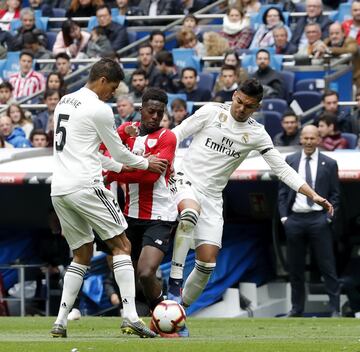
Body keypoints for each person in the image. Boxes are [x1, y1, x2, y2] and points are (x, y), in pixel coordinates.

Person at [167, 79, 333, 336]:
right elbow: (176, 134)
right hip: (185, 180)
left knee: (207, 265)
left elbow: (281, 168)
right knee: (189, 214)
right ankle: (173, 287)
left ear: (257, 107)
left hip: (212, 197)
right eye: (239, 102)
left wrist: (313, 194)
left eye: (248, 106)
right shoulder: (211, 112)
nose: (241, 109)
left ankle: (176, 314)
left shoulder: (257, 134)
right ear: (234, 95)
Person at [50, 58, 168, 339]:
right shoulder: (99, 108)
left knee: (82, 254)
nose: (113, 94)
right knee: (123, 245)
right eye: (113, 88)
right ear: (102, 80)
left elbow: (92, 151)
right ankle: (130, 316)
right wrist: (144, 163)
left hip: (60, 189)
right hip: (86, 187)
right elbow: (119, 153)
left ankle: (60, 321)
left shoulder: (64, 101)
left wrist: (121, 166)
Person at [105, 88, 178, 326]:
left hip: (160, 215)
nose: (155, 116)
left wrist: (117, 173)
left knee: (146, 272)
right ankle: (135, 316)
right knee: (120, 266)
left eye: (160, 112)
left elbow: (150, 177)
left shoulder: (167, 137)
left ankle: (164, 315)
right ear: (141, 110)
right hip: (129, 215)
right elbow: (104, 151)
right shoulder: (128, 134)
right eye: (151, 111)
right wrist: (121, 131)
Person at [278, 125, 340, 317]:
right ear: (301, 139)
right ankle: (296, 309)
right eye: (305, 138)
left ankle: (334, 309)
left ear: (319, 139)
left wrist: (328, 219)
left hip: (319, 220)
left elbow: (336, 195)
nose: (308, 142)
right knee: (295, 268)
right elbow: (282, 192)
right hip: (295, 220)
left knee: (327, 266)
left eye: (312, 138)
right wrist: (284, 218)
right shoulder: (290, 160)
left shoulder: (329, 163)